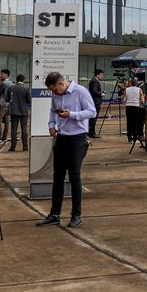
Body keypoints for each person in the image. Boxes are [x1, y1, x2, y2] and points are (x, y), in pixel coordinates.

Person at [37, 72, 95, 228]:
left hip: (77, 139)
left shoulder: (81, 92)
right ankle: (54, 214)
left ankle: (76, 215)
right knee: (58, 177)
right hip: (61, 138)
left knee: (74, 177)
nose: (54, 93)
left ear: (61, 84)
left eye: (55, 90)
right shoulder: (56, 95)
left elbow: (92, 112)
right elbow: (52, 111)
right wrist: (51, 125)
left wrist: (72, 115)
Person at [7, 74, 30, 152]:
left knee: (14, 129)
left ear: (16, 80)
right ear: (23, 80)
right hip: (24, 111)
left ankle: (13, 147)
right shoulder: (26, 89)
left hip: (14, 111)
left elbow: (7, 99)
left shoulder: (10, 88)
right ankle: (25, 147)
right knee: (24, 129)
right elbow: (29, 100)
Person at [121, 75, 144, 143]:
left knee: (129, 122)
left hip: (128, 107)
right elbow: (142, 101)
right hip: (136, 106)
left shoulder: (126, 89)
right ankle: (135, 138)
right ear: (137, 83)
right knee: (136, 122)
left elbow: (124, 100)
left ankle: (129, 138)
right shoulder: (139, 90)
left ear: (131, 82)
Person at [0, 69, 12, 143]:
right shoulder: (11, 83)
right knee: (7, 120)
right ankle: (5, 136)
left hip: (2, 103)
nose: (1, 75)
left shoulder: (4, 83)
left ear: (6, 75)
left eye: (2, 74)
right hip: (8, 104)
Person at [86, 69, 105, 139]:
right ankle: (92, 132)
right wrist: (101, 94)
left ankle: (89, 131)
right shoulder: (95, 81)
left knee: (92, 117)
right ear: (97, 75)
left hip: (93, 101)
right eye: (101, 75)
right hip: (95, 102)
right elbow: (94, 91)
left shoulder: (93, 81)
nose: (102, 76)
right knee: (94, 117)